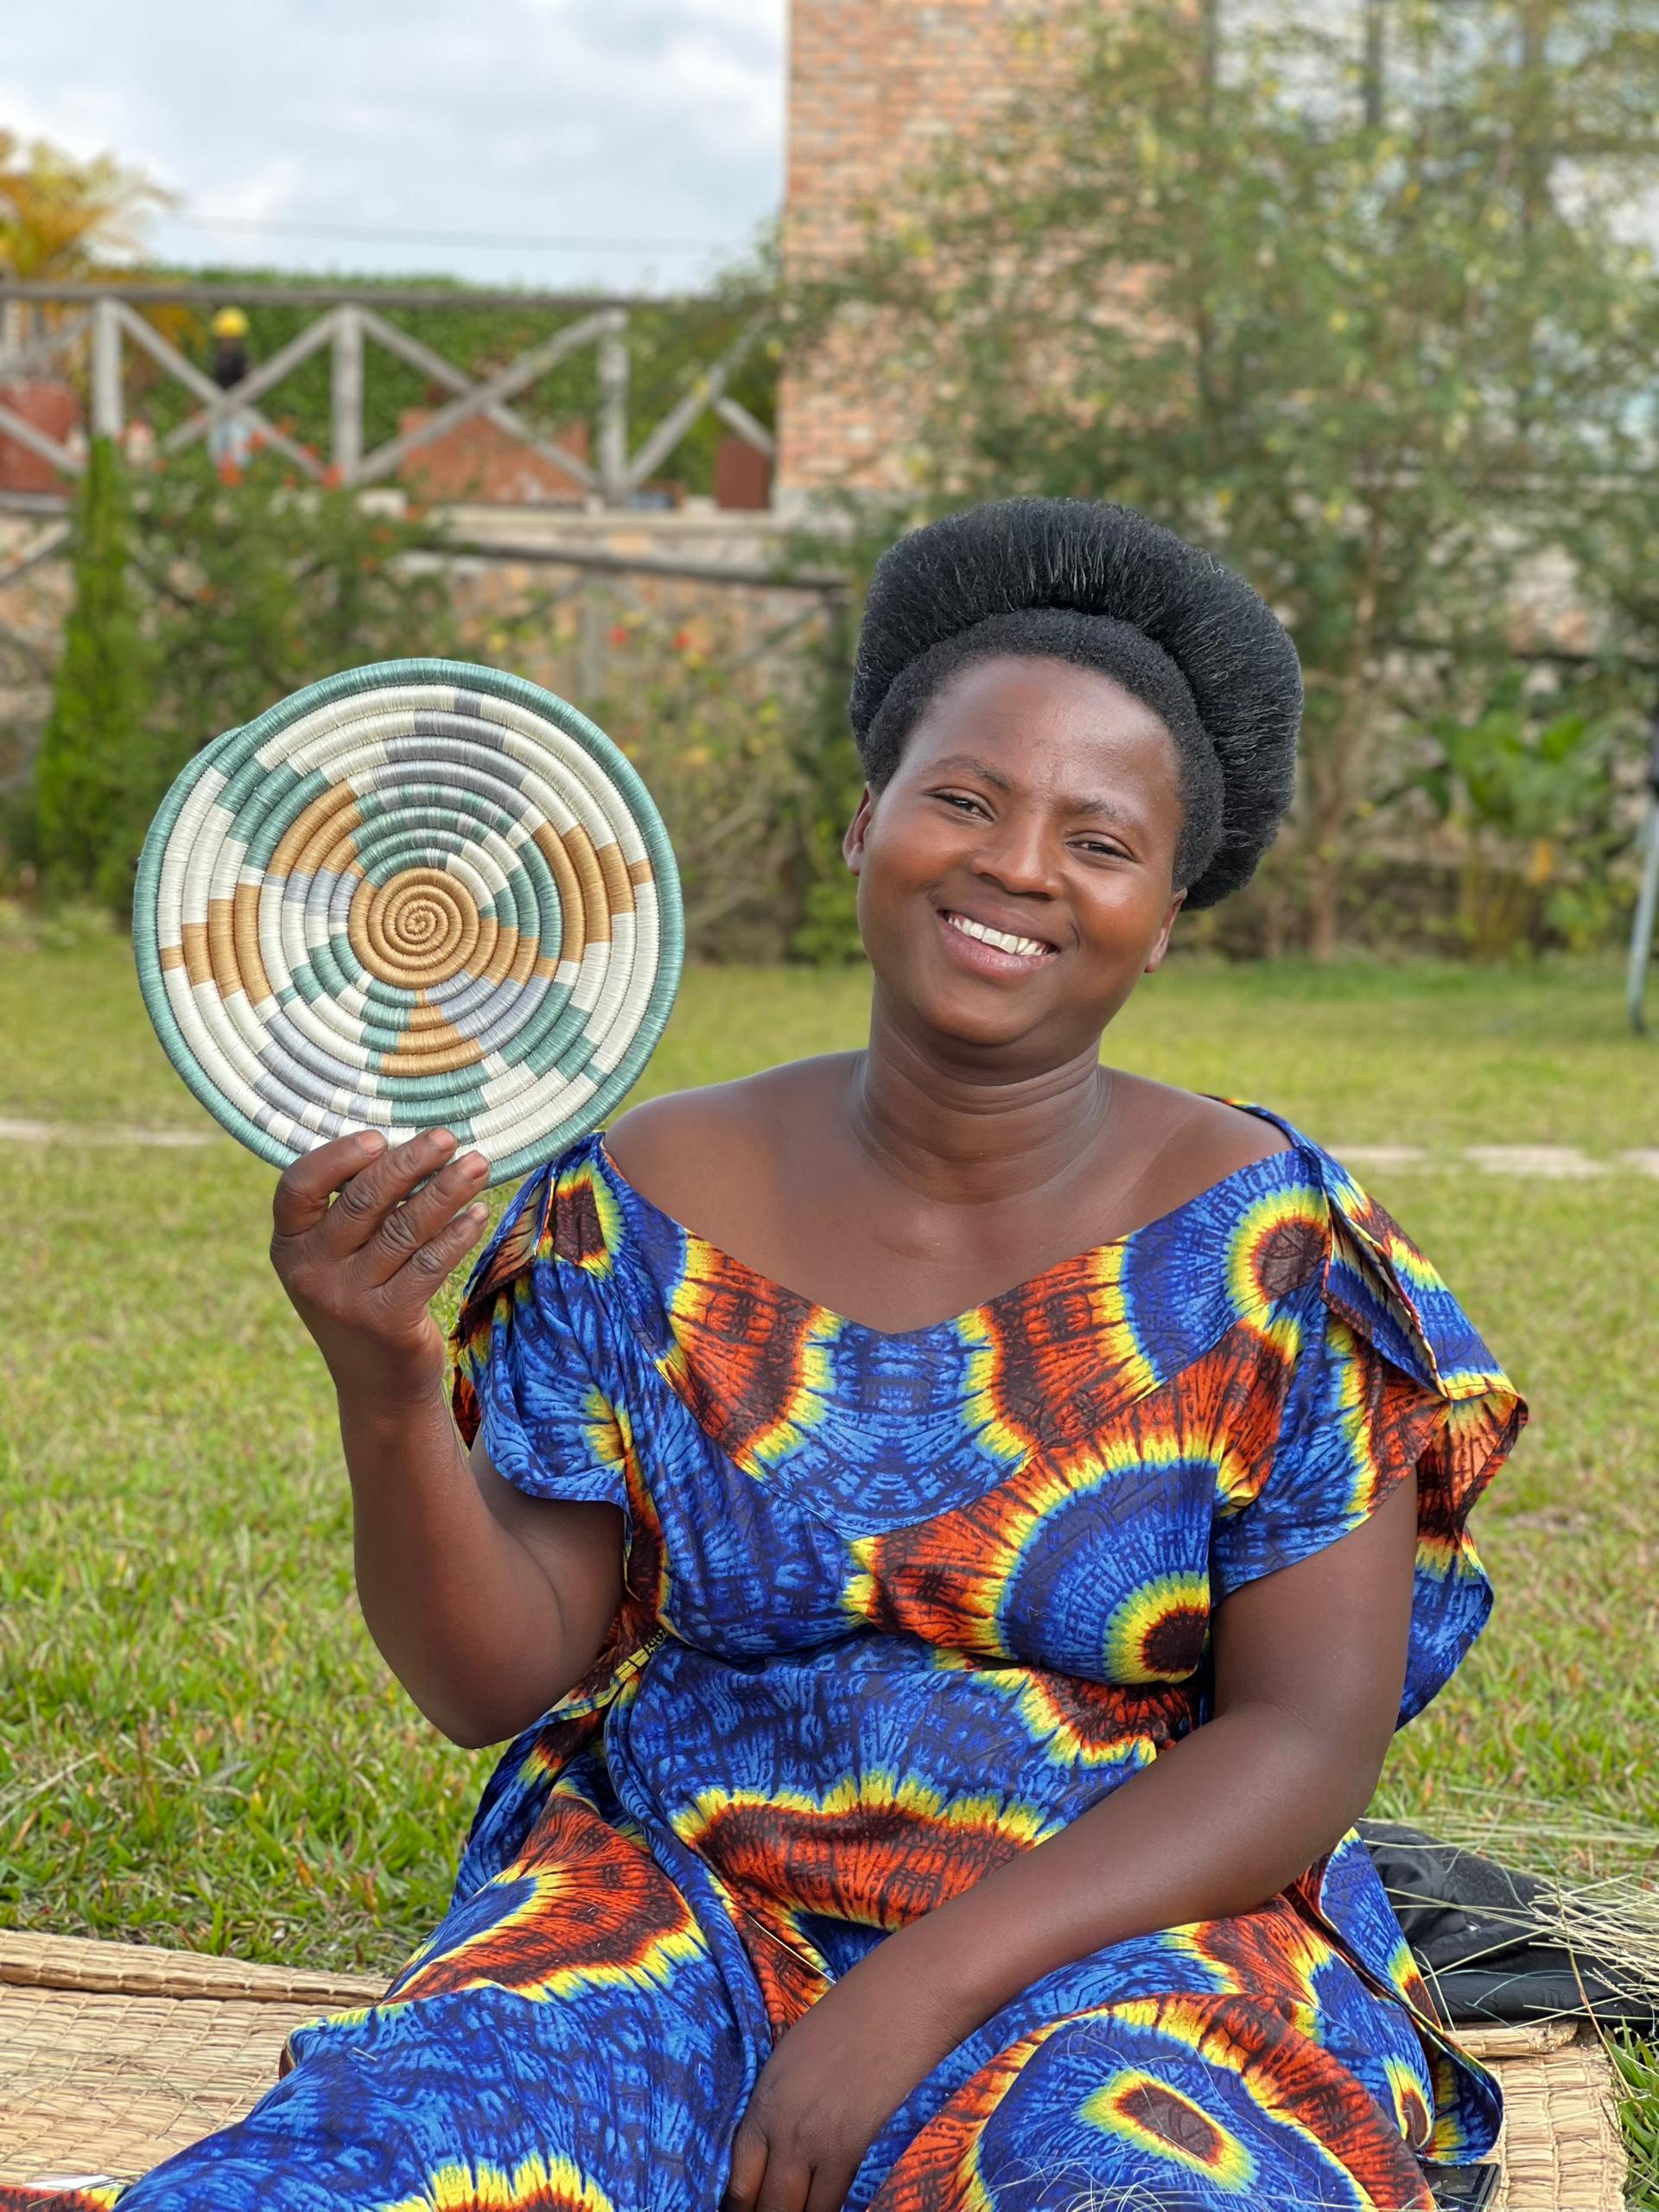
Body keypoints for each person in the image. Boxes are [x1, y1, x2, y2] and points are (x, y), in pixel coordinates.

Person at [8, 499, 1522, 2212]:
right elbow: (491, 1678)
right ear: (865, 819)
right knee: (390, 2165)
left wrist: (921, 1983)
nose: (1018, 863)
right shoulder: (633, 1200)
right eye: (963, 796)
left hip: (1125, 1918)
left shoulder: (1280, 1247)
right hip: (671, 1891)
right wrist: (379, 1372)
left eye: (1098, 839)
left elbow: (1304, 1737)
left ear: (1166, 909)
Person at [207, 306, 252, 473]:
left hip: (239, 409)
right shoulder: (217, 357)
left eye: (231, 337)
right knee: (217, 448)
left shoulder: (242, 357)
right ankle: (221, 477)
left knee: (239, 450)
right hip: (219, 408)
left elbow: (251, 378)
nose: (227, 340)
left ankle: (238, 478)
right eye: (225, 337)